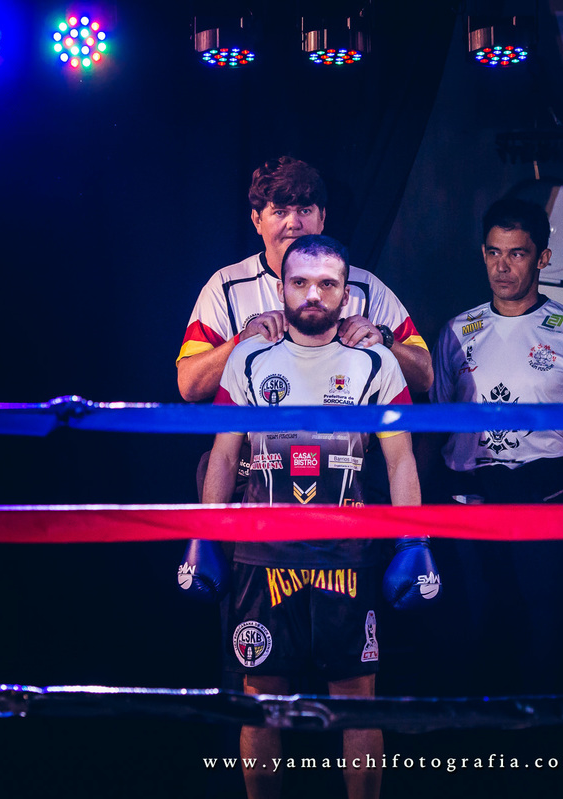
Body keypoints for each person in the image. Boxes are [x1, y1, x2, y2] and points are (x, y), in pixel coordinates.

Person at [197, 234, 437, 799]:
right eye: (300, 282)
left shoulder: (376, 361)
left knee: (357, 702)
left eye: (327, 284)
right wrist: (203, 537)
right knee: (262, 701)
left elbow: (401, 459)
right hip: (263, 554)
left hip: (346, 554)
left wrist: (413, 542)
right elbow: (224, 455)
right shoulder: (248, 358)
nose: (312, 294)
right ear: (282, 288)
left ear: (345, 293)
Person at [427, 197, 563, 694]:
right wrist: (416, 526)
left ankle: (539, 737)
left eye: (517, 253)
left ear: (542, 258)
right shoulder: (456, 332)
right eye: (493, 252)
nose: (502, 266)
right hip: (467, 504)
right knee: (467, 638)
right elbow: (431, 432)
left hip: (545, 503)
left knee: (544, 642)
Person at [176, 156, 432, 402]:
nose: (293, 223)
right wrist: (241, 341)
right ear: (257, 220)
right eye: (279, 212)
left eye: (304, 210)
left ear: (322, 218)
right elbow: (189, 385)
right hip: (259, 433)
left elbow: (425, 378)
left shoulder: (364, 286)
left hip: (345, 431)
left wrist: (384, 339)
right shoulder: (227, 285)